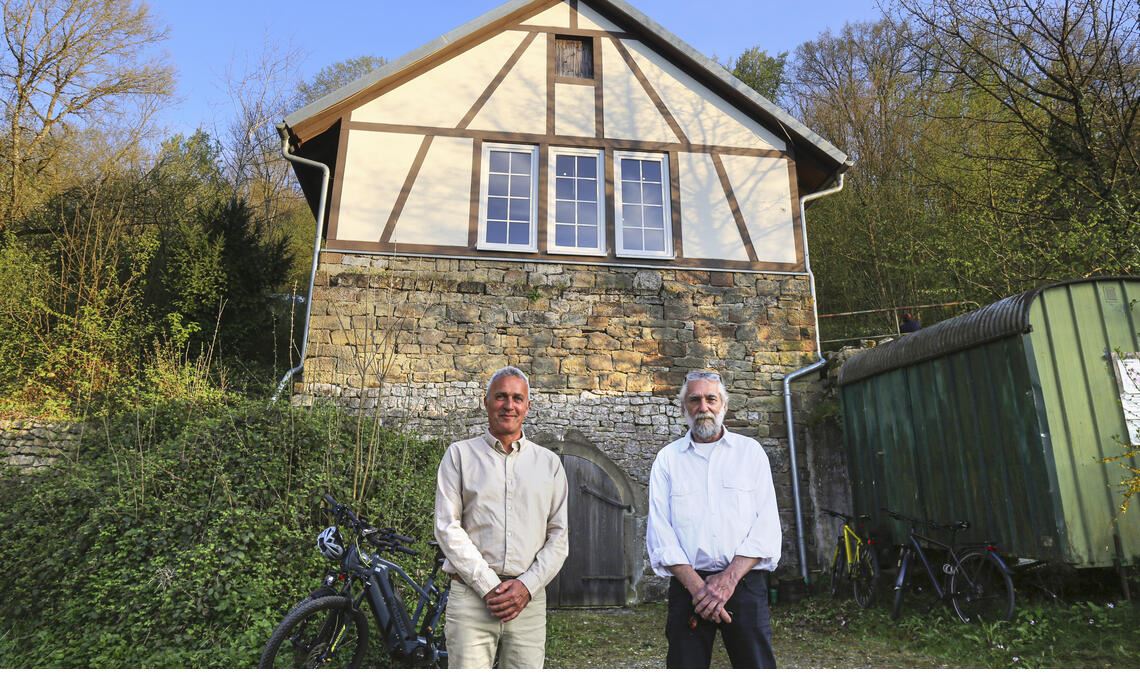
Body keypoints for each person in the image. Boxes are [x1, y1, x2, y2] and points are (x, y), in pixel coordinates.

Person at [434, 366, 569, 669]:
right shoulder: (459, 456)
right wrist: (488, 585)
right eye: (501, 397)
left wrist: (526, 586)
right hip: (471, 599)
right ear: (486, 402)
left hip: (528, 603)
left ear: (528, 406)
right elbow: (447, 527)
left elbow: (559, 538)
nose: (509, 405)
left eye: (517, 398)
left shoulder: (549, 465)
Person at [647, 370, 781, 669]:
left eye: (711, 399)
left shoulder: (751, 454)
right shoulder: (668, 460)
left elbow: (767, 525)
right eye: (694, 400)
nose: (703, 407)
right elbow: (660, 533)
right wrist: (700, 589)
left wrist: (728, 579)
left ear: (724, 406)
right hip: (688, 587)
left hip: (745, 584)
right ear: (684, 408)